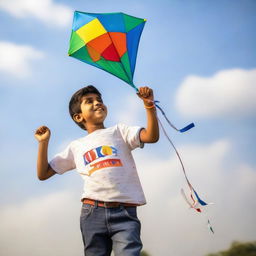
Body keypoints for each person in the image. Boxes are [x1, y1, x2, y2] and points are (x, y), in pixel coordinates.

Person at [34, 85, 159, 256]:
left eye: (99, 100)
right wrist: (43, 142)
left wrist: (149, 105)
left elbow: (151, 136)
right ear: (78, 117)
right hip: (92, 213)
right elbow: (43, 174)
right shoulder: (76, 147)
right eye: (89, 101)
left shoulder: (120, 131)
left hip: (125, 213)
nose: (97, 103)